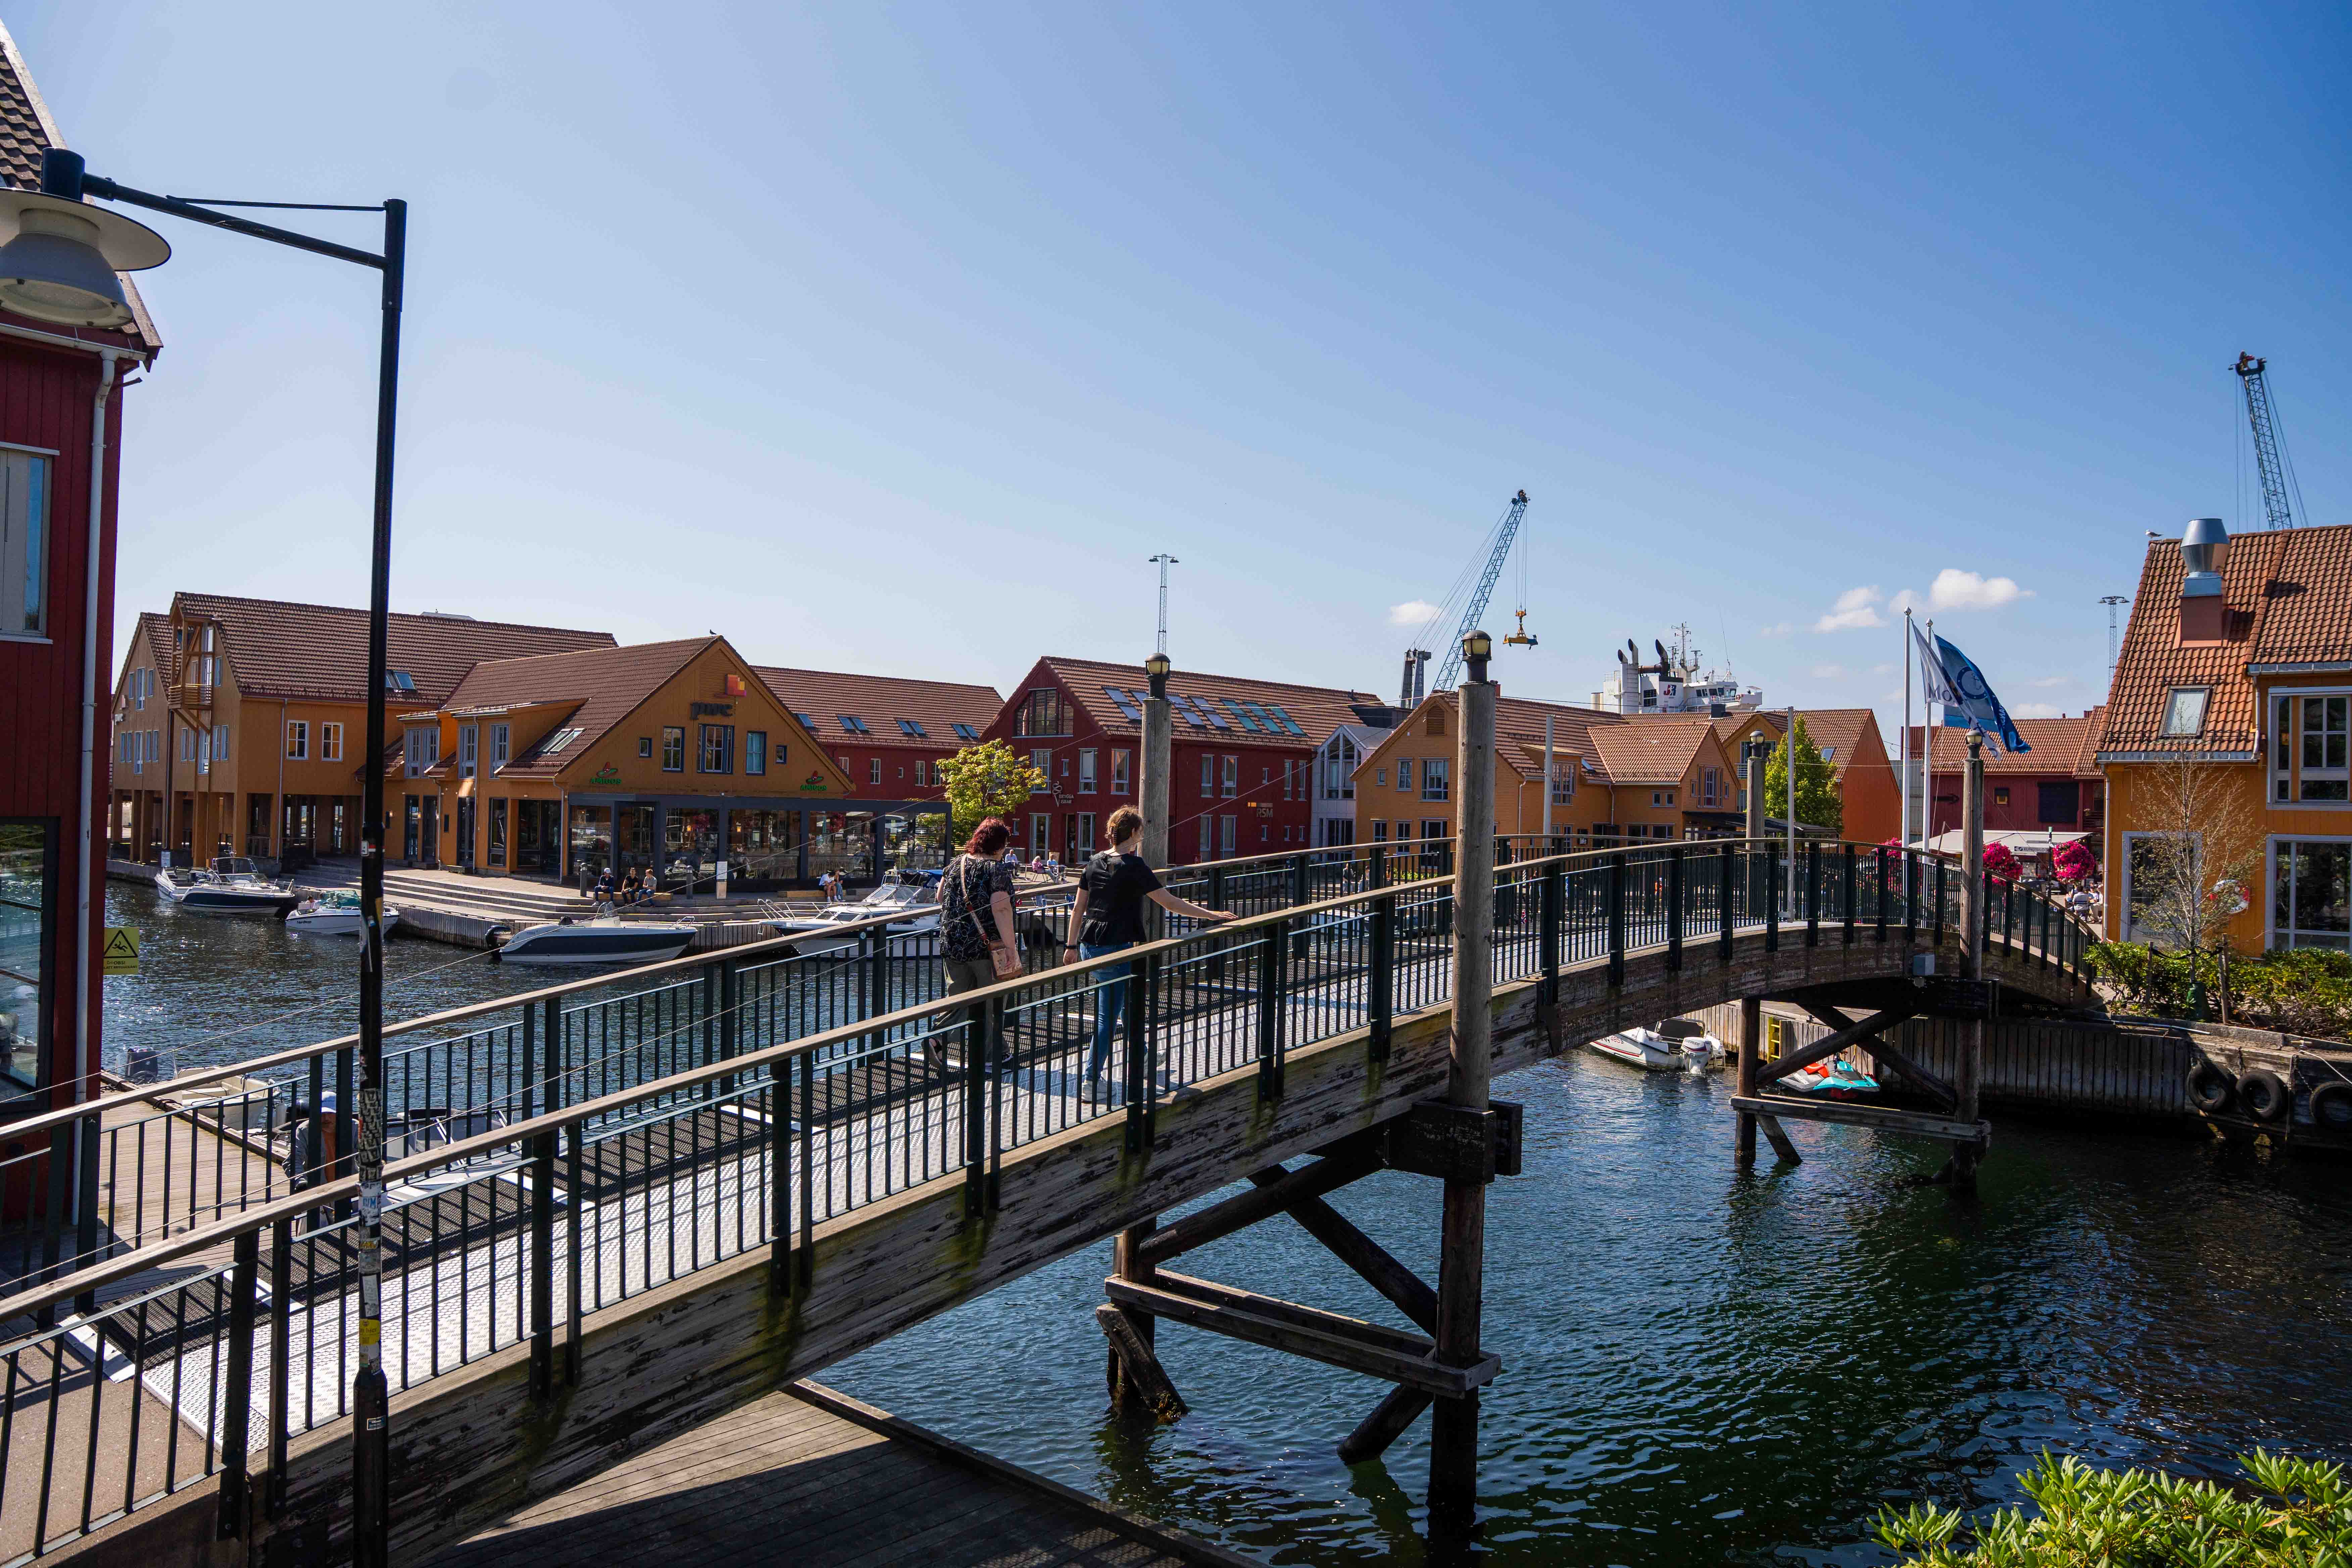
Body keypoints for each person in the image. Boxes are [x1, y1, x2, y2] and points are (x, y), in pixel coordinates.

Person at [1063, 806, 1235, 1098]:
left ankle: (1142, 1058)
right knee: (1108, 1017)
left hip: (1089, 943)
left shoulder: (1093, 862)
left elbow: (1079, 908)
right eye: (1140, 831)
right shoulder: (1135, 866)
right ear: (1134, 833)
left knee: (1129, 1001)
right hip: (1115, 947)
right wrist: (1211, 915)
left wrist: (1070, 947)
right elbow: (1168, 902)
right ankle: (1091, 1081)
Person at [933, 818, 1023, 1075]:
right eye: (1005, 844)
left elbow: (941, 898)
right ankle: (988, 1057)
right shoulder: (997, 870)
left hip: (952, 945)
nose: (1006, 849)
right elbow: (1002, 908)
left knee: (959, 999)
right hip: (987, 949)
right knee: (992, 1002)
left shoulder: (956, 864)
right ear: (998, 844)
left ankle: (940, 1039)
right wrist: (1011, 947)